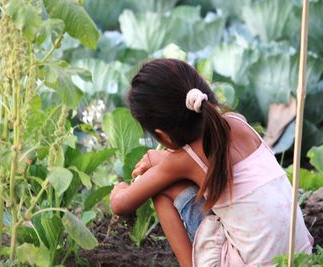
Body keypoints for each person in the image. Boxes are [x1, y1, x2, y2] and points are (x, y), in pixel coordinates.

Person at [109, 58, 313, 266]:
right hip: (300, 257)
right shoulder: (236, 122)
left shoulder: (184, 161)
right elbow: (204, 165)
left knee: (162, 188)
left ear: (163, 136)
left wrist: (120, 188)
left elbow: (120, 204)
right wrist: (163, 159)